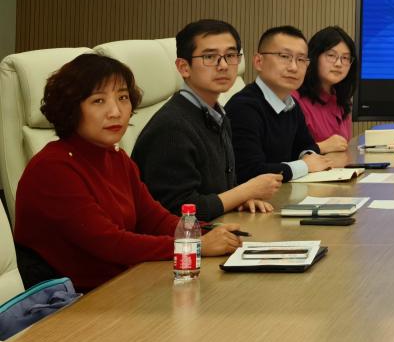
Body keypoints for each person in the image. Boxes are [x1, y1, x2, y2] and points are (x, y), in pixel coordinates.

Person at [13, 54, 242, 291]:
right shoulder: (52, 169)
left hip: (124, 285)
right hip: (77, 301)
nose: (115, 111)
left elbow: (154, 219)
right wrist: (195, 246)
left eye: (123, 98)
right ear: (71, 109)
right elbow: (110, 243)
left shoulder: (115, 157)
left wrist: (209, 232)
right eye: (98, 101)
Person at [132, 19, 283, 221]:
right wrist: (244, 192)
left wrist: (239, 199)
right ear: (184, 67)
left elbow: (217, 190)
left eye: (230, 56)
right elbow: (179, 212)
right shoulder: (172, 128)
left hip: (218, 226)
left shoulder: (216, 114)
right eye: (210, 57)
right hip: (183, 239)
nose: (223, 66)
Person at [225, 26, 331, 181]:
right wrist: (305, 165)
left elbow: (305, 145)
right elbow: (249, 171)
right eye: (284, 56)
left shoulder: (291, 104)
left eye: (301, 60)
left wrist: (308, 155)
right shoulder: (243, 108)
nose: (294, 67)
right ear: (259, 61)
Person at [293, 26, 357, 154]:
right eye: (331, 55)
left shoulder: (342, 100)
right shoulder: (294, 100)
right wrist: (321, 146)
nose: (338, 64)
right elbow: (284, 154)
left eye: (345, 58)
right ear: (314, 56)